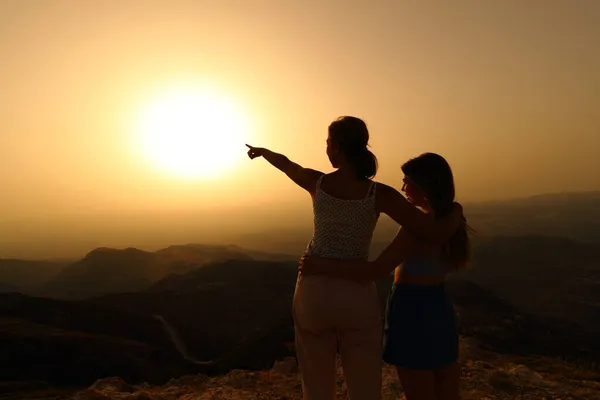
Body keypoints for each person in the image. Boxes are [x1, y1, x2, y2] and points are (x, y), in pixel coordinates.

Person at [246, 117, 463, 400]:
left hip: (314, 286)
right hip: (355, 292)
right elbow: (431, 232)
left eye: (327, 142)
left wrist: (263, 152)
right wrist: (456, 211)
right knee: (364, 379)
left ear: (336, 146)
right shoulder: (379, 194)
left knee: (316, 376)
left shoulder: (318, 183)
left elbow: (288, 165)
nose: (326, 148)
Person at [299, 152, 471, 400]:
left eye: (407, 181)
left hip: (412, 311)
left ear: (424, 184)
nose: (402, 187)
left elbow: (375, 270)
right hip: (440, 307)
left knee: (418, 391)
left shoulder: (417, 228)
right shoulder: (453, 219)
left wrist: (321, 265)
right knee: (446, 388)